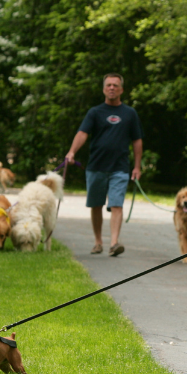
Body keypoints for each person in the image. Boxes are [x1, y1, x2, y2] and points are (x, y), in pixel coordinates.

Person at [65, 74, 143, 256]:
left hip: (120, 168)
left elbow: (137, 141)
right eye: (108, 85)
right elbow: (82, 133)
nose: (112, 88)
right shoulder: (95, 112)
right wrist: (72, 151)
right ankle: (98, 241)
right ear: (103, 89)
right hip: (96, 166)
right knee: (96, 205)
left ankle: (114, 243)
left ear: (121, 90)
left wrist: (137, 167)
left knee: (117, 204)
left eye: (116, 85)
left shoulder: (129, 113)